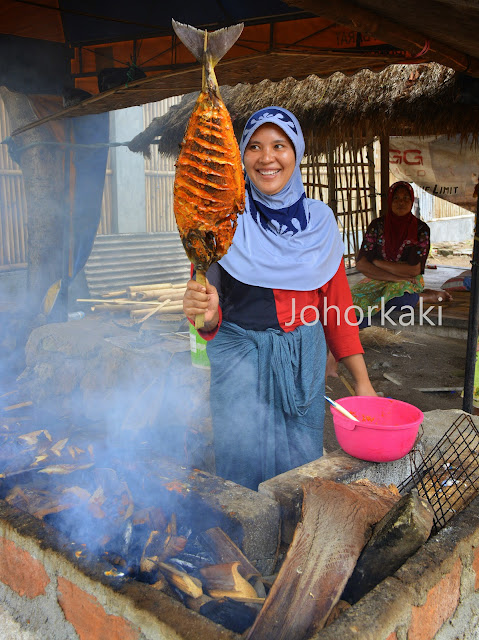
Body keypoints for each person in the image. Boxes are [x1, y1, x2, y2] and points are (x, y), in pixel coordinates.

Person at [183, 106, 375, 490]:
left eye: (279, 145)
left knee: (297, 475)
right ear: (242, 156)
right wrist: (205, 312)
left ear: (297, 152)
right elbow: (205, 319)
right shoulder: (221, 224)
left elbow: (336, 309)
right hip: (240, 368)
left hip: (300, 367)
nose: (266, 157)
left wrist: (363, 384)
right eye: (254, 146)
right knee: (241, 475)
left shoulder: (319, 224)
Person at [351, 181, 451, 325]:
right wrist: (394, 277)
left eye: (406, 198)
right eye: (396, 198)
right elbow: (361, 265)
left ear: (412, 201)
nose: (401, 203)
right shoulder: (377, 226)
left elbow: (414, 269)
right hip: (377, 279)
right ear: (390, 201)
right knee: (351, 299)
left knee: (399, 301)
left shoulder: (421, 229)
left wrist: (377, 263)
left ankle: (427, 297)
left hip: (409, 281)